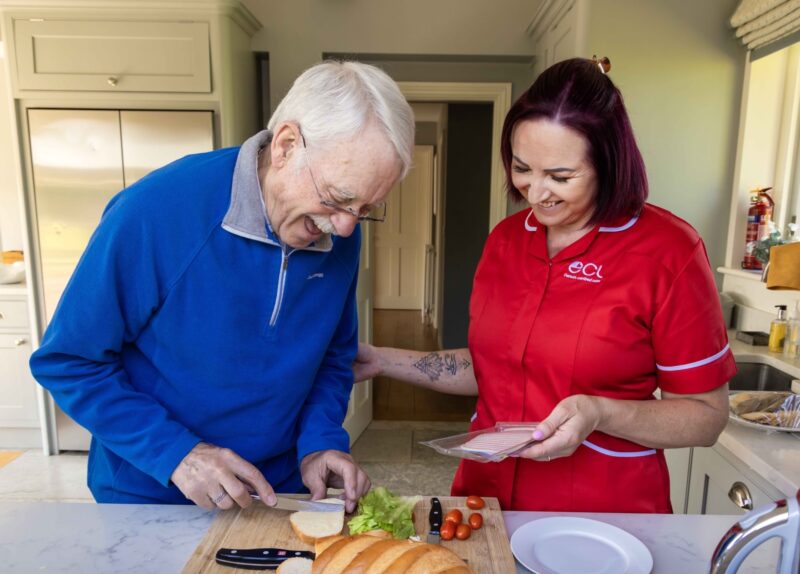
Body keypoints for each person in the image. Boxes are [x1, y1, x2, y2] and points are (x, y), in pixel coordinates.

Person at [353, 57, 736, 513]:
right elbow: (493, 369)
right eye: (522, 169)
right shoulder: (507, 241)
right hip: (486, 500)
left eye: (560, 176)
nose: (536, 194)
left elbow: (706, 419)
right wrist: (381, 360)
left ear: (608, 163)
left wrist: (601, 413)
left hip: (603, 513)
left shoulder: (669, 251)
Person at [30, 61, 415, 512]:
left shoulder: (337, 230)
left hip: (277, 495)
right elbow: (68, 361)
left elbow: (332, 357)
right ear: (287, 145)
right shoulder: (156, 211)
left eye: (366, 208)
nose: (347, 227)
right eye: (337, 197)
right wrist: (178, 454)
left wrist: (319, 443)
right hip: (153, 494)